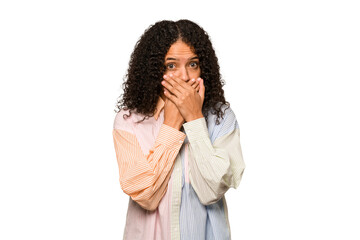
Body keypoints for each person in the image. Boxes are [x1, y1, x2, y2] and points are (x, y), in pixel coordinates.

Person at [112, 19, 246, 240]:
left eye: (192, 64)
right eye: (171, 65)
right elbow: (145, 195)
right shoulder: (129, 121)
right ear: (154, 70)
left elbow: (213, 190)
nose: (184, 76)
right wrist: (171, 125)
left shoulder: (222, 118)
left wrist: (194, 119)